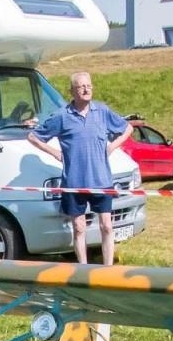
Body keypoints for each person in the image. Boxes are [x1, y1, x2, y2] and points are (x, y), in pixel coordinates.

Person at [27, 71, 131, 265]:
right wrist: (54, 152)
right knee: (79, 227)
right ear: (72, 91)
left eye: (89, 86)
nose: (86, 90)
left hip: (101, 181)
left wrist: (112, 146)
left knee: (107, 226)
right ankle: (82, 268)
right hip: (74, 183)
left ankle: (108, 269)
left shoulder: (102, 112)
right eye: (81, 87)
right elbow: (33, 137)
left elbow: (128, 128)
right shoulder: (61, 117)